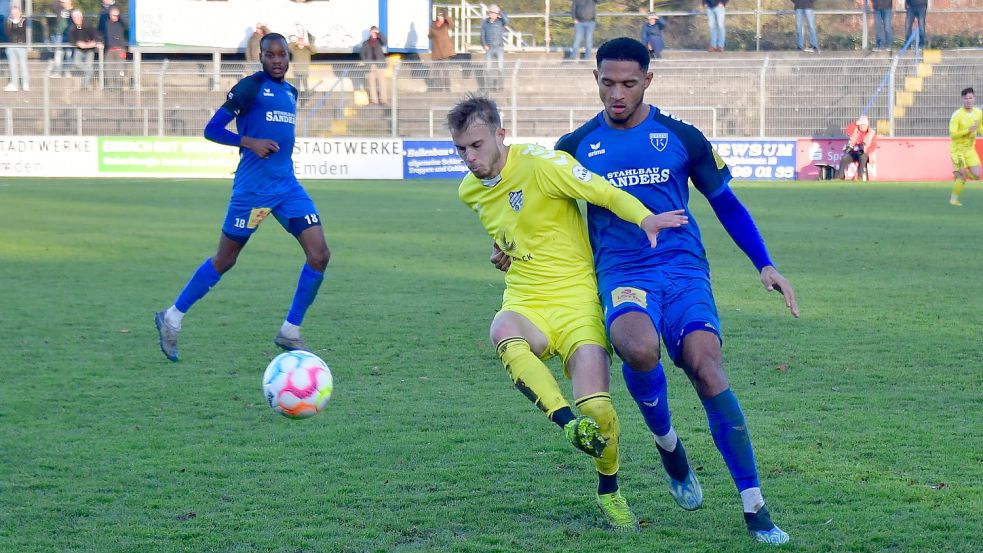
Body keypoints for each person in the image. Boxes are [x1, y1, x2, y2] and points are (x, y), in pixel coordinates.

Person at [552, 37, 798, 545]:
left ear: (648, 80)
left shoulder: (682, 137)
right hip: (624, 273)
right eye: (607, 83)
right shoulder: (573, 148)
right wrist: (508, 247)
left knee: (707, 367)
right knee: (638, 348)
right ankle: (668, 445)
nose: (616, 93)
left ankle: (756, 507)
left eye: (627, 83)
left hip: (684, 271)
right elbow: (545, 217)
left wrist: (765, 263)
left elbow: (726, 202)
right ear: (595, 79)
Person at [450, 93, 688, 532]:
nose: (469, 157)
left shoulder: (543, 164)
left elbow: (600, 190)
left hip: (578, 300)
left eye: (477, 145)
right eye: (460, 148)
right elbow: (510, 229)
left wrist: (644, 219)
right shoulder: (469, 190)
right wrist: (501, 250)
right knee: (503, 329)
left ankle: (609, 490)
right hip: (527, 297)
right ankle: (565, 423)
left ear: (500, 135)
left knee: (598, 408)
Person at [155, 33, 330, 362]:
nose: (277, 61)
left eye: (282, 55)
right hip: (252, 192)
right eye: (271, 55)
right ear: (260, 57)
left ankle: (290, 331)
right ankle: (171, 318)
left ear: (289, 59)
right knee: (225, 260)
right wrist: (249, 142)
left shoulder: (291, 92)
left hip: (287, 187)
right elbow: (212, 129)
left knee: (319, 255)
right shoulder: (250, 88)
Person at [948, 87, 982, 206]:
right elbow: (952, 135)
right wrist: (967, 131)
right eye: (966, 98)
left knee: (977, 175)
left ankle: (958, 172)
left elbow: (980, 127)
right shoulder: (957, 115)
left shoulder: (979, 113)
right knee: (962, 176)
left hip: (969, 150)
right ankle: (953, 200)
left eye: (971, 98)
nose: (968, 100)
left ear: (974, 98)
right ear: (962, 99)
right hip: (957, 151)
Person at [67, 9, 101, 90]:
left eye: (78, 17)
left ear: (81, 17)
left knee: (89, 65)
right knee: (77, 63)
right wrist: (78, 43)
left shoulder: (88, 25)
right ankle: (90, 71)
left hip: (90, 49)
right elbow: (71, 39)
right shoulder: (72, 27)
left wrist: (94, 43)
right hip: (79, 49)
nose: (76, 19)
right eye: (74, 17)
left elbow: (96, 35)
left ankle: (86, 85)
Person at [835, 115, 876, 181]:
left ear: (867, 125)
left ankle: (860, 176)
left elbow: (873, 146)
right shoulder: (855, 130)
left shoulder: (871, 133)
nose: (862, 126)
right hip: (854, 152)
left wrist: (865, 150)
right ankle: (840, 176)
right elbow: (848, 130)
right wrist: (856, 123)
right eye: (861, 125)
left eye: (864, 125)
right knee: (844, 158)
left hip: (865, 153)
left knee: (863, 157)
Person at [480, 5, 507, 91]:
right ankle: (491, 87)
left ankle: (500, 86)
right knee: (488, 69)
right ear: (489, 13)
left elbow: (507, 20)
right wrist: (484, 45)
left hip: (499, 48)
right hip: (489, 49)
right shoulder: (485, 23)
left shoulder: (500, 22)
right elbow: (482, 35)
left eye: (496, 13)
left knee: (501, 68)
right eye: (493, 12)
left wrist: (500, 11)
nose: (494, 14)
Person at [360, 25, 388, 105]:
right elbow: (362, 54)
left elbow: (385, 41)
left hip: (380, 64)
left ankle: (384, 100)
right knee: (372, 83)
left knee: (382, 83)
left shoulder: (380, 41)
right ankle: (374, 100)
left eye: (375, 32)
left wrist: (379, 33)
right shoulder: (365, 43)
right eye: (372, 32)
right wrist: (366, 62)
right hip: (370, 65)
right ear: (370, 32)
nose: (374, 33)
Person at [288, 25, 317, 105]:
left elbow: (314, 51)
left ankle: (305, 101)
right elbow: (289, 47)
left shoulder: (307, 49)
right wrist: (296, 42)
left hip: (304, 71)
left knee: (306, 87)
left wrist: (307, 44)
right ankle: (297, 101)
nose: (301, 41)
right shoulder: (295, 49)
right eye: (299, 39)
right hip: (297, 71)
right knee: (297, 87)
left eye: (302, 39)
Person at [4, 5, 30, 91]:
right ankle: (14, 84)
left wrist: (16, 24)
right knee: (12, 66)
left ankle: (25, 83)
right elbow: (7, 33)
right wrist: (10, 23)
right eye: (13, 13)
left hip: (21, 46)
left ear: (20, 13)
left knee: (23, 65)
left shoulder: (23, 21)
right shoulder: (9, 22)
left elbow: (21, 31)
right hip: (11, 46)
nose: (14, 15)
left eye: (16, 13)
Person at [102, 5, 129, 89]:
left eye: (117, 15)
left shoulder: (121, 23)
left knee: (120, 68)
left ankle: (119, 84)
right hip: (109, 49)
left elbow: (127, 24)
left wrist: (120, 16)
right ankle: (111, 85)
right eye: (114, 15)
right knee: (109, 68)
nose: (115, 17)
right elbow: (101, 33)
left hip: (120, 49)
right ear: (110, 15)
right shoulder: (105, 23)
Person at [428, 10, 454, 91]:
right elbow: (429, 36)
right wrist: (430, 33)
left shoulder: (446, 24)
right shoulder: (433, 25)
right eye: (438, 16)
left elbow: (452, 25)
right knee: (436, 72)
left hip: (445, 51)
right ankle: (438, 88)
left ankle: (447, 88)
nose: (440, 18)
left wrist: (446, 17)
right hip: (436, 52)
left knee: (446, 71)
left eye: (441, 16)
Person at [48, 0, 73, 78]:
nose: (64, 4)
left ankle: (67, 71)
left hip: (69, 35)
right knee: (58, 53)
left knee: (68, 53)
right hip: (59, 35)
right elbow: (52, 4)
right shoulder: (60, 9)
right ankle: (57, 72)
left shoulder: (73, 11)